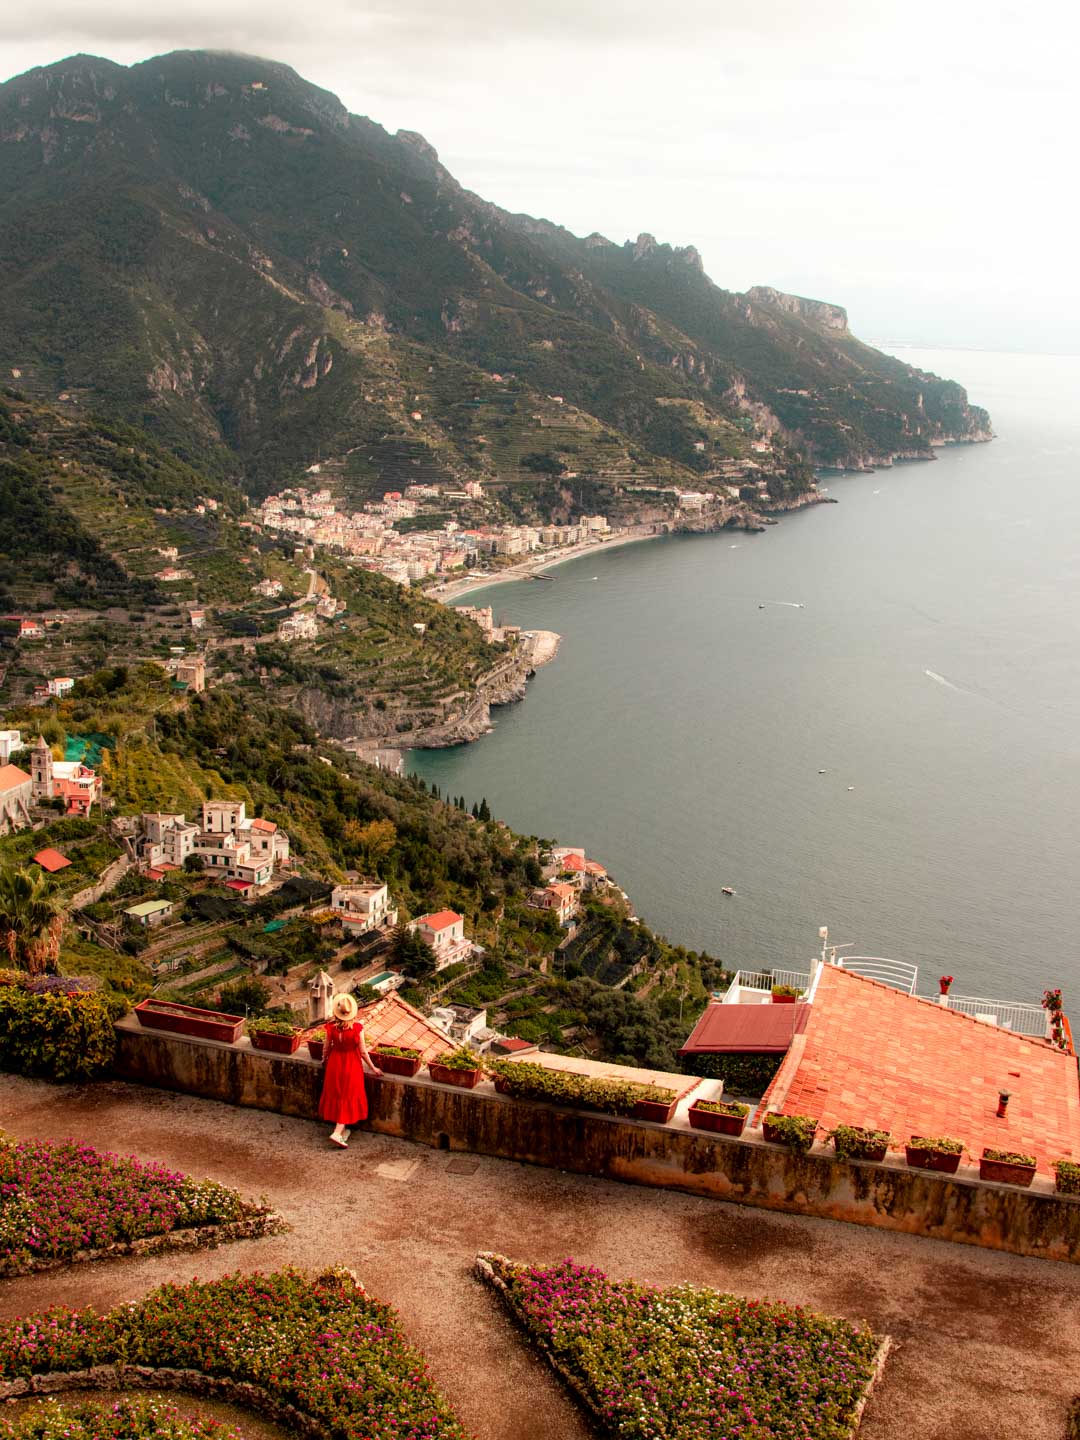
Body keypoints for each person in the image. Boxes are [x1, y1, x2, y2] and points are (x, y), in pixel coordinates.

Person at [318, 990, 382, 1148]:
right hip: (351, 1065)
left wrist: (324, 1059)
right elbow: (363, 1052)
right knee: (348, 1095)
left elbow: (326, 1048)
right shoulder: (357, 1029)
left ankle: (342, 1131)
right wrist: (373, 1068)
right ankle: (337, 1132)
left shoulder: (331, 1028)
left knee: (338, 1095)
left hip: (335, 1063)